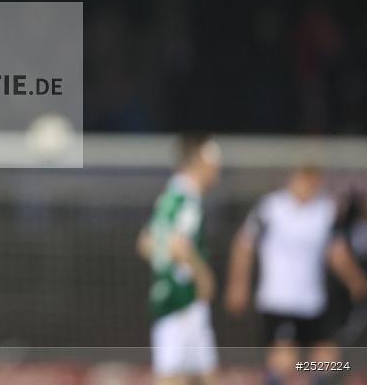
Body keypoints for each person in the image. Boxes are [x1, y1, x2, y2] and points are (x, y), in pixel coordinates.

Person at [224, 166, 367, 384]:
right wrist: (237, 285)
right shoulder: (271, 208)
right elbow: (244, 244)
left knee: (328, 361)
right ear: (292, 179)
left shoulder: (324, 211)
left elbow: (337, 253)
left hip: (312, 302)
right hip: (278, 301)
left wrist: (358, 283)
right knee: (284, 363)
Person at [137, 134, 222, 385]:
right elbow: (177, 244)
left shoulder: (171, 196)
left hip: (172, 298)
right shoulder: (185, 198)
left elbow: (145, 242)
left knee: (201, 374)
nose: (218, 171)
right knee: (179, 376)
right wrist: (202, 275)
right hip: (181, 300)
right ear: (199, 163)